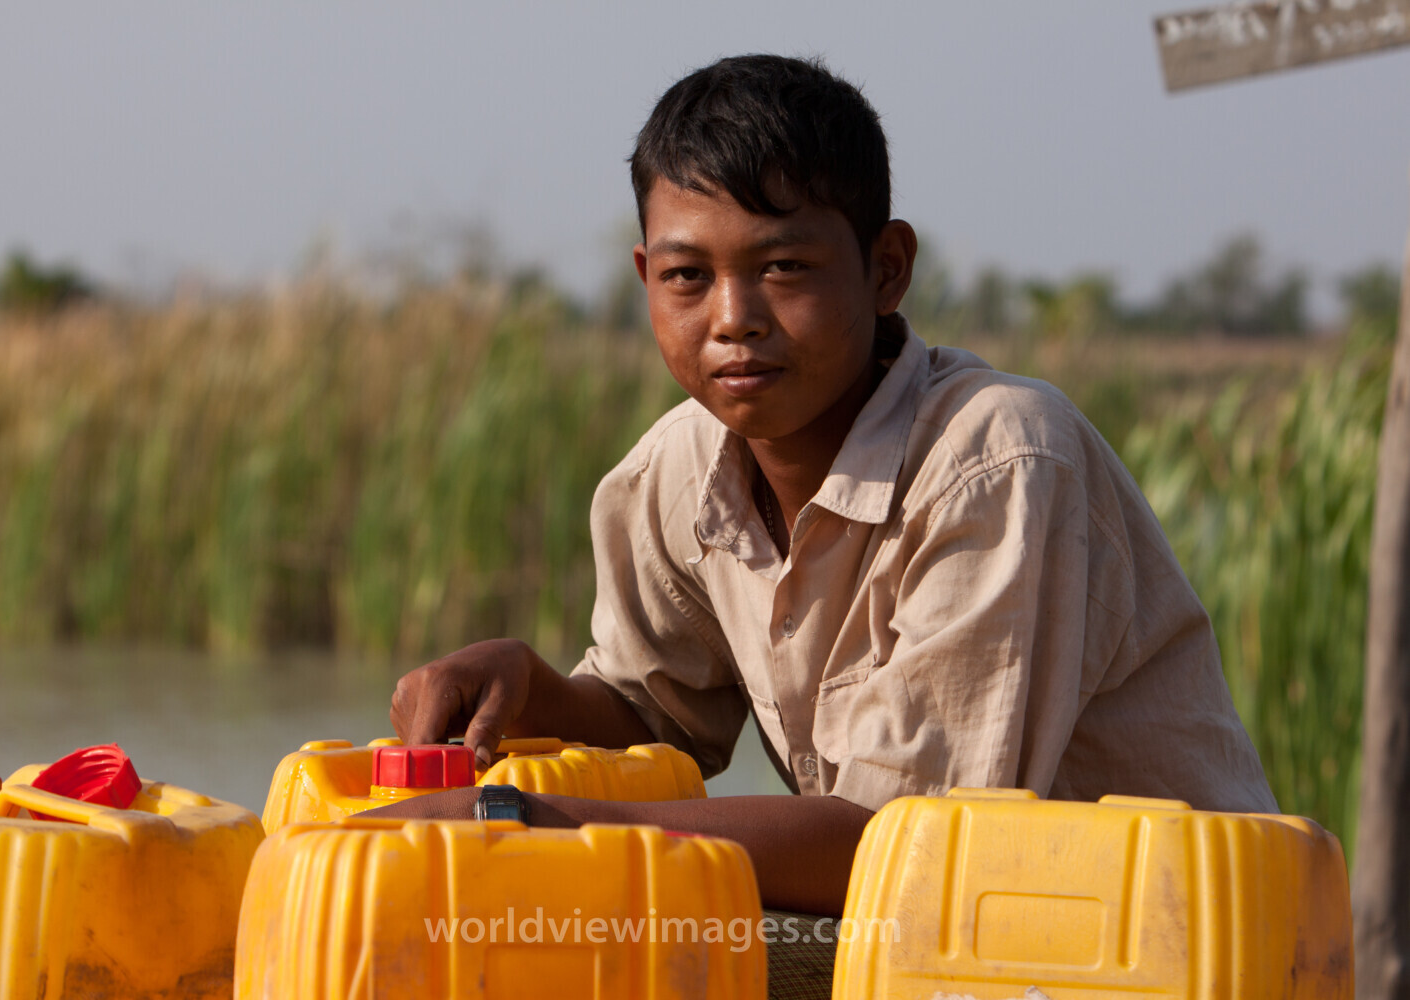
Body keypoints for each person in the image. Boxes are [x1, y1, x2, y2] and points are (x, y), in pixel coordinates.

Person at [370, 54, 1277, 922]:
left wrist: (531, 829)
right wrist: (528, 687)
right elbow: (659, 719)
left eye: (783, 268)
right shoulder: (674, 474)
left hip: (1165, 947)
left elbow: (899, 847)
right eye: (689, 276)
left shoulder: (1000, 462)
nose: (733, 320)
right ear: (647, 279)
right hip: (970, 946)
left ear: (886, 269)